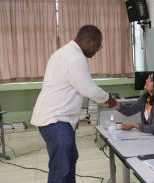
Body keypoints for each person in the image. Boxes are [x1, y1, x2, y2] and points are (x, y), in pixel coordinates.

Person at [31, 25, 117, 183]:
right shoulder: (74, 57)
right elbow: (88, 88)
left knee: (70, 159)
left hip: (58, 120)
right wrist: (110, 100)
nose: (98, 50)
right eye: (98, 46)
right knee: (61, 169)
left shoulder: (65, 52)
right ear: (89, 41)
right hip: (56, 120)